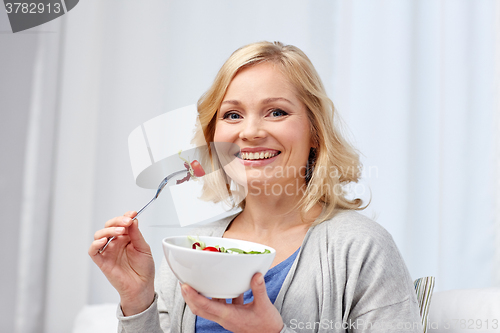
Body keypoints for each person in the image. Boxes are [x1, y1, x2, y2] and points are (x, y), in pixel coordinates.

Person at [89, 41, 423, 333]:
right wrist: (137, 300)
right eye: (232, 115)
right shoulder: (189, 251)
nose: (250, 132)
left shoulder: (362, 248)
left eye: (276, 112)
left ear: (314, 133)